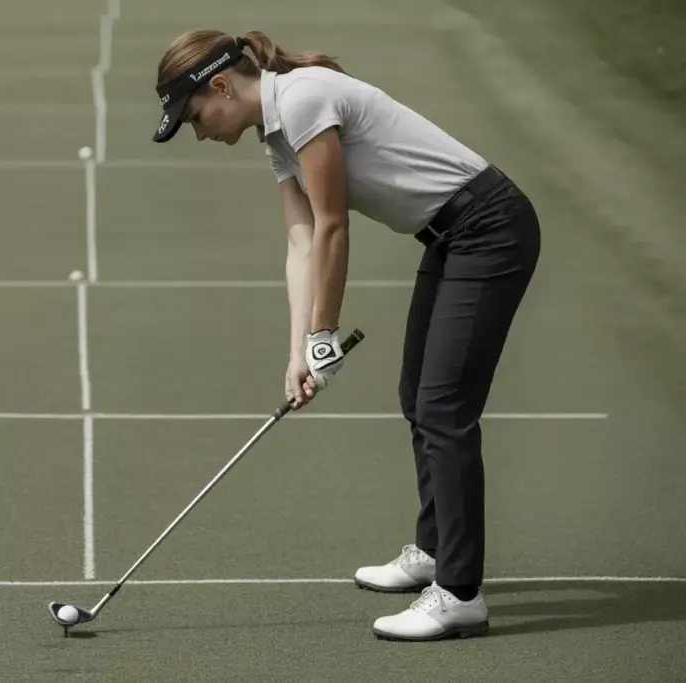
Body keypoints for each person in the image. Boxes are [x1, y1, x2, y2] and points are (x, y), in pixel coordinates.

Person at [151, 29, 541, 641]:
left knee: (444, 409)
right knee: (418, 397)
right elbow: (302, 243)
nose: (198, 133)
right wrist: (298, 352)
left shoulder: (303, 100)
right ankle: (436, 551)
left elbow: (333, 226)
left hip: (490, 229)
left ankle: (460, 594)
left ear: (221, 85)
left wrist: (324, 332)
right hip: (450, 238)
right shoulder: (277, 135)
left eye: (194, 117)